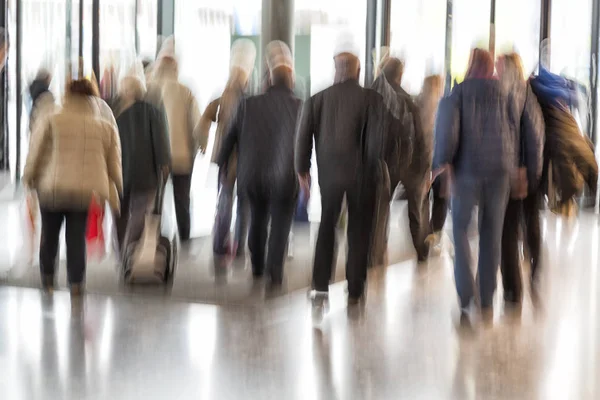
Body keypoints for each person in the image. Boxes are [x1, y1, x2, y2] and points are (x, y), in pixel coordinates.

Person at [433, 48, 541, 323]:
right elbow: (518, 131)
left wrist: (442, 163)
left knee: (459, 230)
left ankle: (466, 295)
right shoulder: (506, 94)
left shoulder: (458, 93)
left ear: (470, 65)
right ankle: (487, 298)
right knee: (491, 234)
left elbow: (448, 129)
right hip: (500, 173)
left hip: (467, 172)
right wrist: (523, 170)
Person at [296, 44, 384, 305]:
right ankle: (355, 289)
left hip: (330, 175)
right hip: (363, 176)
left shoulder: (318, 99)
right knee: (358, 231)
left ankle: (320, 286)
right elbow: (376, 143)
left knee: (327, 226)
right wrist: (373, 170)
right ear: (357, 70)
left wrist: (303, 171)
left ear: (337, 70)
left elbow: (303, 137)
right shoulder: (372, 99)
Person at [22, 78, 123, 296]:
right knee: (76, 238)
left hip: (52, 189)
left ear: (67, 94)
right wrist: (116, 187)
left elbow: (36, 150)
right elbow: (114, 161)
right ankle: (76, 283)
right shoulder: (104, 126)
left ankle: (47, 279)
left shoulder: (51, 118)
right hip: (82, 192)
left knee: (49, 235)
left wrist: (29, 178)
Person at [217, 41, 301, 284]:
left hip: (251, 174)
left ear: (269, 79)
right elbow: (305, 142)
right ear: (291, 79)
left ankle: (257, 266)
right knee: (281, 223)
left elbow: (229, 135)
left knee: (258, 218)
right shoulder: (298, 107)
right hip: (285, 176)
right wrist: (305, 171)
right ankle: (275, 272)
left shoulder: (248, 104)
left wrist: (222, 164)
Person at [497, 53, 545, 306]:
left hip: (520, 175)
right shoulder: (521, 95)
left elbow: (534, 137)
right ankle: (516, 283)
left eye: (500, 67)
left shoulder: (520, 95)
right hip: (518, 173)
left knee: (517, 227)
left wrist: (527, 172)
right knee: (518, 226)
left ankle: (515, 287)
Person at [202, 39, 256, 256]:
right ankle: (239, 246)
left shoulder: (224, 94)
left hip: (225, 156)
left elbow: (206, 115)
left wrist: (205, 141)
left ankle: (220, 243)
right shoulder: (246, 96)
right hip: (241, 157)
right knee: (242, 203)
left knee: (225, 200)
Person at [373, 57, 430, 263]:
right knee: (415, 211)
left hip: (385, 162)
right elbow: (420, 137)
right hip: (410, 162)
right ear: (400, 75)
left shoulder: (375, 97)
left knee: (381, 210)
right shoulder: (408, 100)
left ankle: (378, 253)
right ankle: (422, 250)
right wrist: (424, 166)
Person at [146, 56, 204, 241]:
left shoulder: (149, 91)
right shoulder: (186, 91)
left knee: (156, 199)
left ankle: (154, 237)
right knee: (182, 197)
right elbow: (197, 123)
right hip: (182, 155)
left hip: (155, 156)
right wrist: (200, 144)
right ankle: (184, 235)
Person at [114, 75, 170, 253]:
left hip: (121, 173)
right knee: (140, 212)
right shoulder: (153, 112)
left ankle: (122, 250)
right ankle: (130, 248)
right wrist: (164, 165)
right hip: (147, 174)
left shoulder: (118, 117)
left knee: (120, 214)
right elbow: (160, 142)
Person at [416, 75, 446, 251]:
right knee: (441, 199)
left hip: (422, 162)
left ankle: (424, 233)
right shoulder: (443, 107)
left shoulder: (416, 106)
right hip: (438, 161)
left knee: (424, 200)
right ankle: (434, 233)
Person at [28, 69, 56, 136]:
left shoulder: (34, 90)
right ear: (45, 79)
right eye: (49, 78)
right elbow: (49, 115)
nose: (50, 81)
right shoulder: (47, 95)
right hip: (43, 130)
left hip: (34, 125)